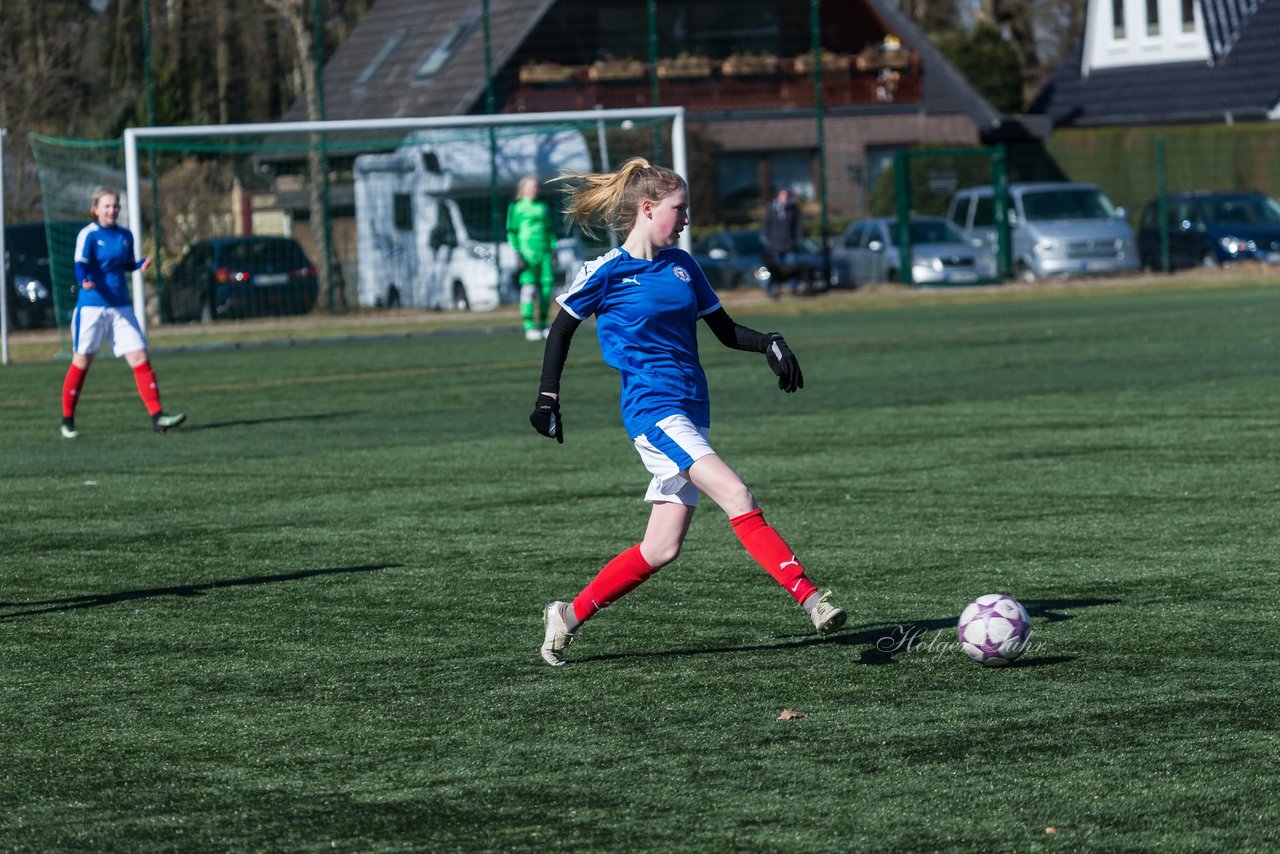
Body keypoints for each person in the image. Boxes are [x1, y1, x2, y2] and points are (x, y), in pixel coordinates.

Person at [529, 158, 846, 667]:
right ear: (648, 208)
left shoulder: (685, 266)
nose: (686, 220)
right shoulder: (607, 271)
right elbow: (561, 329)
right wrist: (548, 397)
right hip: (653, 413)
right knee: (737, 493)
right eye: (679, 209)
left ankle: (566, 616)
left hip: (692, 410)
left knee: (661, 549)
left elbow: (723, 329)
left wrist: (769, 343)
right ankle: (810, 598)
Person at [59, 188, 186, 439]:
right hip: (92, 308)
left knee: (140, 356)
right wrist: (83, 279)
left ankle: (158, 416)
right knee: (81, 361)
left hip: (120, 307)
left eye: (115, 206)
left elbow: (125, 264)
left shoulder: (125, 235)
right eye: (106, 206)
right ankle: (67, 419)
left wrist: (138, 265)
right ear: (95, 209)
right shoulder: (89, 234)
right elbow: (80, 264)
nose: (112, 210)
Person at [506, 175, 557, 341]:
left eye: (537, 186)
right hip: (527, 254)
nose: (536, 189)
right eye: (532, 186)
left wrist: (553, 248)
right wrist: (517, 252)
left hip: (544, 253)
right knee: (528, 288)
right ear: (524, 189)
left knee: (546, 289)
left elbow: (550, 229)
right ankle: (529, 327)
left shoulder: (543, 206)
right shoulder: (517, 207)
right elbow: (511, 230)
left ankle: (543, 324)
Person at [760, 186, 805, 297]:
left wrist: (796, 241)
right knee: (773, 269)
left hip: (789, 245)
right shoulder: (771, 208)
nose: (785, 198)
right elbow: (766, 225)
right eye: (783, 195)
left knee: (792, 267)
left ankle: (793, 289)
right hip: (774, 245)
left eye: (787, 196)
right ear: (778, 196)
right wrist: (768, 241)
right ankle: (772, 290)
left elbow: (798, 226)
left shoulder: (793, 208)